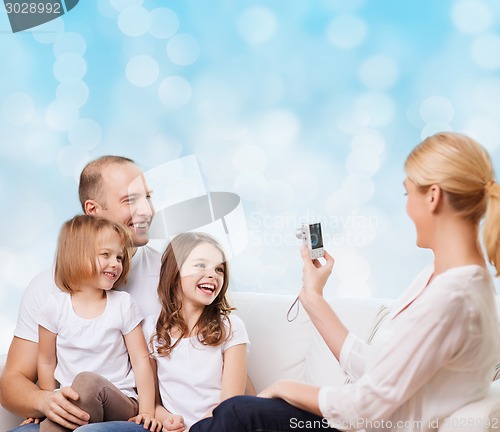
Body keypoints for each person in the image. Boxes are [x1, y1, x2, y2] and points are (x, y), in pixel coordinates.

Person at [190, 131, 500, 432]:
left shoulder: (454, 297)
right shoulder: (445, 280)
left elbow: (364, 407)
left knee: (239, 412)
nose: (407, 208)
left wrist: (284, 388)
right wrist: (313, 297)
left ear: (433, 196)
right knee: (233, 414)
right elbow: (380, 372)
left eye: (408, 193)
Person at [1, 156, 161, 431]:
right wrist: (45, 400)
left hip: (129, 413)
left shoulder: (172, 275)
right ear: (93, 210)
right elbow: (13, 382)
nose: (146, 210)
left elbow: (221, 345)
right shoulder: (46, 290)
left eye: (147, 197)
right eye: (130, 200)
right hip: (73, 411)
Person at [30, 215, 160, 431]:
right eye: (106, 255)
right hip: (76, 403)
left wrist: (146, 412)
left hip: (121, 402)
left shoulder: (122, 304)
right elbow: (45, 362)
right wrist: (50, 404)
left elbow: (140, 361)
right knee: (77, 393)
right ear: (76, 256)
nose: (115, 264)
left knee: (87, 382)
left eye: (119, 257)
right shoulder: (53, 308)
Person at [145, 232, 249, 432]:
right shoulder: (151, 329)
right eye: (201, 265)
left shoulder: (231, 328)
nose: (213, 274)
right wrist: (167, 420)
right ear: (174, 273)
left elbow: (230, 406)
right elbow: (152, 403)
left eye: (219, 269)